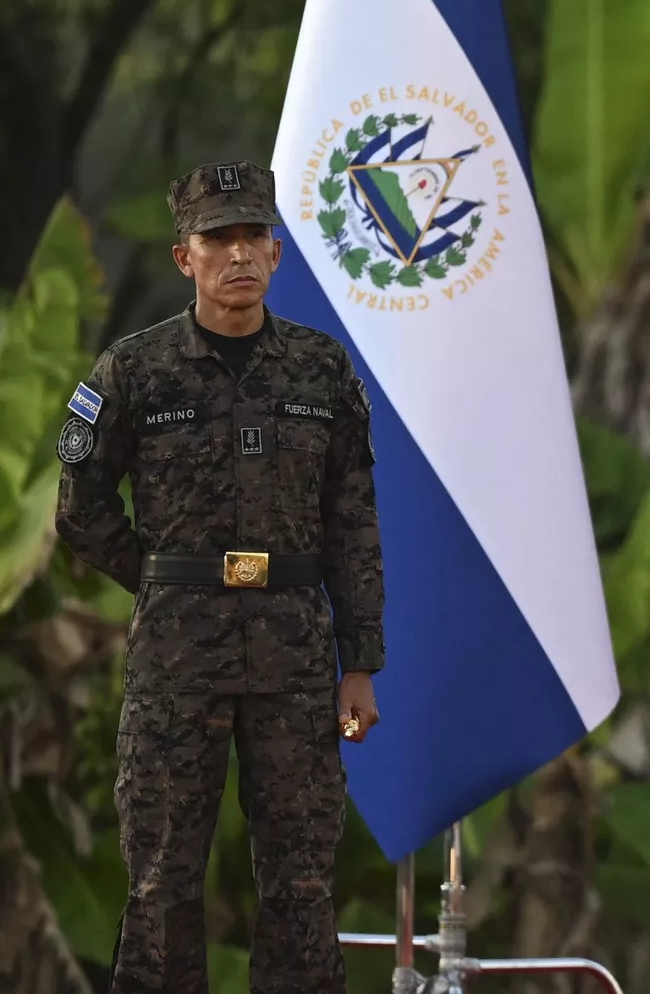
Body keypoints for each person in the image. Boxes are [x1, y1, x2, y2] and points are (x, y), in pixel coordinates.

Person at [55, 160, 384, 994]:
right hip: (178, 660)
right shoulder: (134, 373)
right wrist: (168, 580)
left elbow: (352, 521)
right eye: (217, 238)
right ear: (184, 258)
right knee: (163, 881)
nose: (237, 255)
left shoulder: (322, 371)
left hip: (296, 656)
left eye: (251, 238)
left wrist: (361, 664)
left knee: (302, 885)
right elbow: (79, 507)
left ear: (276, 256)